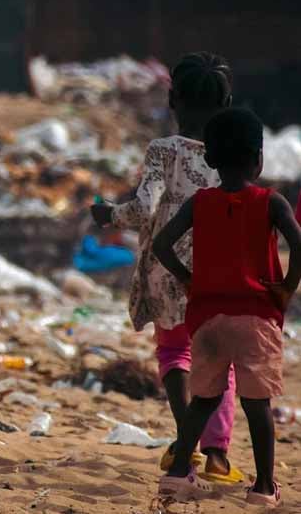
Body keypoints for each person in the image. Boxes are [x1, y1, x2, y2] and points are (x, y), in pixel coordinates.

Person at [90, 52, 242, 482]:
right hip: (216, 269)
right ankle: (217, 454)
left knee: (175, 352)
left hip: (167, 262)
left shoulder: (162, 150)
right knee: (218, 359)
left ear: (173, 102)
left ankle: (185, 441)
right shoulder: (230, 155)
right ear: (226, 102)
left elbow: (144, 207)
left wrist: (110, 216)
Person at [153, 108, 299, 507]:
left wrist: (187, 278)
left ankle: (179, 472)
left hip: (209, 319)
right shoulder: (271, 202)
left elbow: (161, 244)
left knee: (203, 400)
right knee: (258, 406)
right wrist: (286, 287)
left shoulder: (200, 203)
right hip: (256, 317)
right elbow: (299, 243)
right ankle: (264, 487)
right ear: (258, 158)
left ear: (211, 159)